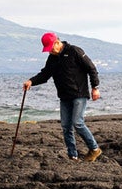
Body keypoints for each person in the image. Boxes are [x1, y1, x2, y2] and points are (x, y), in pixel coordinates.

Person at [23, 32, 102, 161]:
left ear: (57, 42)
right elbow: (45, 74)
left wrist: (95, 88)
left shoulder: (74, 51)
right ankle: (73, 155)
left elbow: (91, 68)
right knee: (66, 126)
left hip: (79, 94)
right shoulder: (52, 58)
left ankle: (94, 149)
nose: (50, 52)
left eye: (51, 48)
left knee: (77, 122)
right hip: (64, 96)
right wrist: (31, 81)